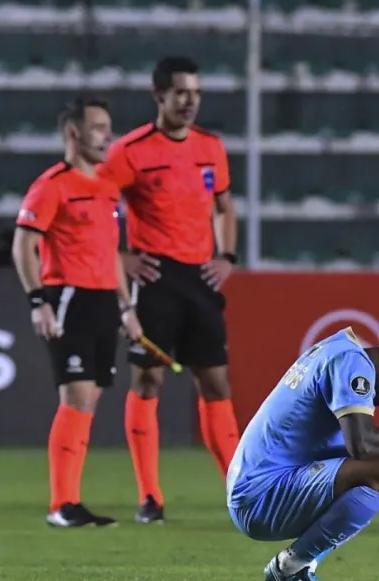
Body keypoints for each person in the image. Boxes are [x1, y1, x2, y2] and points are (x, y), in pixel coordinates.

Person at [100, 56, 240, 524]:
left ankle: (239, 488)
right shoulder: (131, 150)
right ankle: (150, 496)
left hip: (199, 277)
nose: (189, 101)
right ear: (159, 96)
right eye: (180, 92)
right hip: (155, 278)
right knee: (149, 380)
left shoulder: (211, 148)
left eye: (195, 93)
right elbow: (100, 207)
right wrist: (119, 257)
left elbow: (224, 206)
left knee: (216, 382)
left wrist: (228, 256)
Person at [226, 328, 379, 581]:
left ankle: (300, 568)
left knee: (375, 471)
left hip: (257, 486)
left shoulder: (340, 350)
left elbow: (352, 445)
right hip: (259, 495)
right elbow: (363, 446)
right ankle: (291, 569)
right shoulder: (352, 364)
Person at [11, 96, 143, 527]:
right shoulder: (52, 185)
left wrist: (127, 308)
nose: (108, 136)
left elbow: (111, 254)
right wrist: (39, 301)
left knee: (91, 397)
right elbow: (23, 244)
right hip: (68, 297)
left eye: (109, 126)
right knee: (77, 394)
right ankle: (61, 504)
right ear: (74, 133)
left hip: (106, 300)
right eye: (99, 127)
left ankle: (70, 500)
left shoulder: (107, 187)